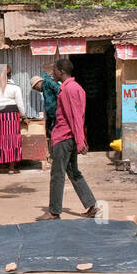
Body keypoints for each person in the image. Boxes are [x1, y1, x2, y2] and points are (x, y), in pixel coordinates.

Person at [36, 58, 98, 221]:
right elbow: (79, 117)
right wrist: (80, 138)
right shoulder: (75, 88)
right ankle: (91, 205)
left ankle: (54, 211)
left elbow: (75, 117)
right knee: (73, 172)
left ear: (61, 71)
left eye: (54, 70)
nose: (52, 73)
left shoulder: (69, 90)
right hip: (69, 137)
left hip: (64, 137)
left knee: (57, 174)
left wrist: (80, 141)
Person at [0, 65, 26, 174]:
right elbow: (20, 104)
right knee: (12, 139)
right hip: (12, 115)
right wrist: (24, 115)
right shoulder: (15, 87)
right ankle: (11, 168)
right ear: (10, 75)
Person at [31, 73, 61, 141]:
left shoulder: (48, 82)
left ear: (38, 83)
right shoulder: (44, 89)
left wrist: (59, 106)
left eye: (36, 88)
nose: (37, 90)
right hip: (52, 115)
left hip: (57, 113)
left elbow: (59, 90)